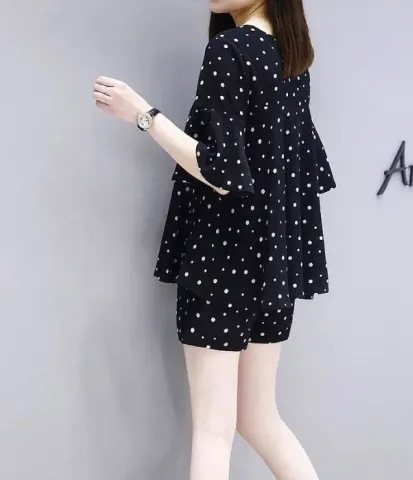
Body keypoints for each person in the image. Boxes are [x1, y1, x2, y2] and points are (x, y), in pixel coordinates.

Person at [93, 0, 336, 478]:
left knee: (212, 432)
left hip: (222, 262)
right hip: (273, 267)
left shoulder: (231, 49)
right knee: (260, 419)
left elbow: (220, 172)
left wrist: (142, 114)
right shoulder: (291, 56)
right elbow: (296, 172)